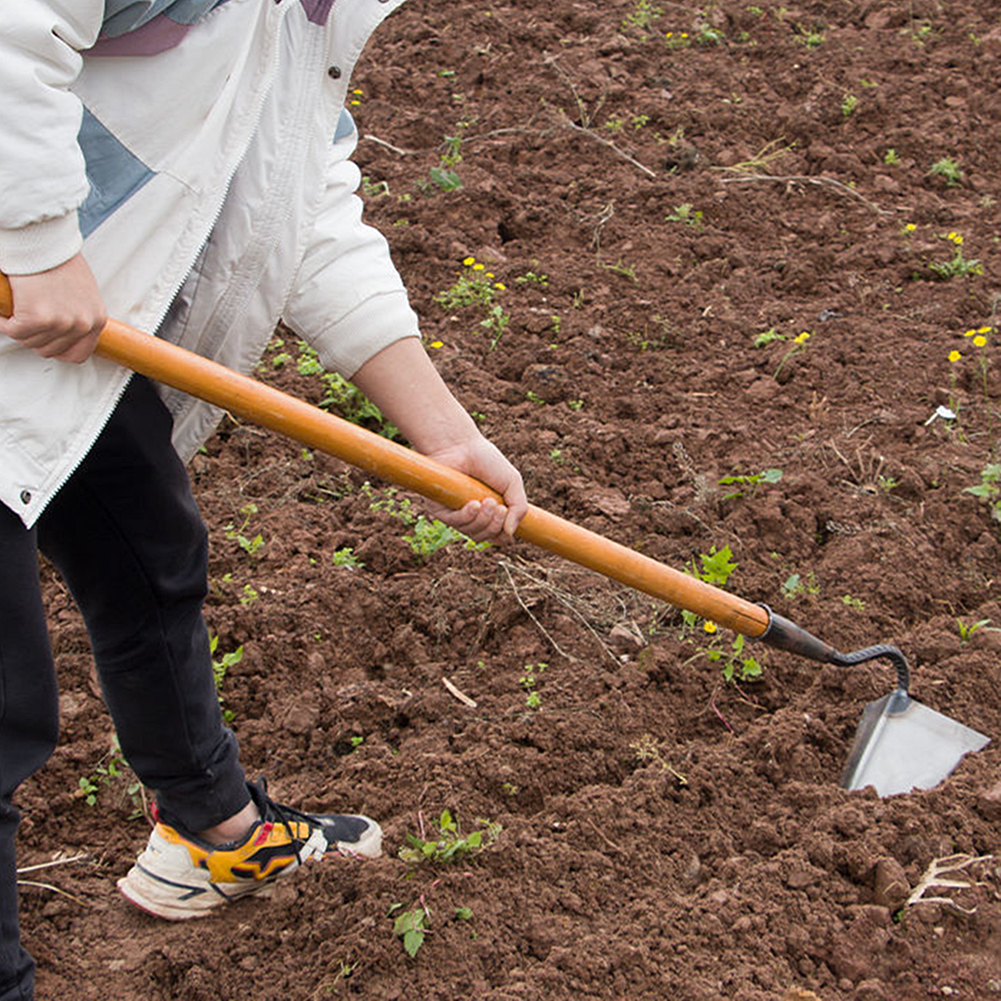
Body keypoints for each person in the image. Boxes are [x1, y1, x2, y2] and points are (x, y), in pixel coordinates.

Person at [0, 2, 527, 997]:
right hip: (28, 286)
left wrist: (441, 429)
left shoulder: (301, 18)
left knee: (146, 547)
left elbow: (304, 201)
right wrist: (30, 233)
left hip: (56, 326)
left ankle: (212, 830)